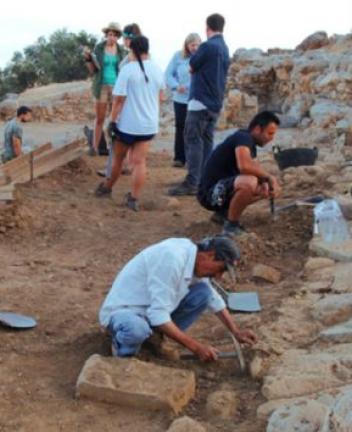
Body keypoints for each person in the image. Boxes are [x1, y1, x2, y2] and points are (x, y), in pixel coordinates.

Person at [99, 236, 257, 360]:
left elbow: (213, 299)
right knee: (136, 330)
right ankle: (122, 353)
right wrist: (196, 347)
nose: (219, 276)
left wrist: (236, 331)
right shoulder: (172, 259)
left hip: (151, 311)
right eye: (220, 269)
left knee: (204, 293)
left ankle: (154, 340)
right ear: (210, 255)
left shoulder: (194, 258)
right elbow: (158, 315)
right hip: (126, 312)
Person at [94, 36, 164, 211]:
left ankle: (107, 188)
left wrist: (112, 121)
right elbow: (160, 97)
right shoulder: (157, 69)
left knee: (118, 159)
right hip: (148, 125)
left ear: (132, 50)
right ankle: (133, 199)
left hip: (128, 125)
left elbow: (118, 100)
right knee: (139, 162)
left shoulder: (128, 70)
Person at [169, 13, 230, 196]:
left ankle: (192, 182)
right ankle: (204, 179)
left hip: (200, 101)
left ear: (207, 28)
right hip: (215, 103)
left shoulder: (207, 46)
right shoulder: (225, 48)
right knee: (206, 141)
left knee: (192, 139)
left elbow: (191, 66)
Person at [198, 111, 282, 236]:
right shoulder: (243, 137)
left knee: (264, 188)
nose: (271, 138)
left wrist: (266, 182)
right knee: (249, 182)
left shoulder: (250, 144)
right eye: (269, 133)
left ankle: (223, 214)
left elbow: (253, 169)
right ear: (258, 129)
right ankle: (231, 225)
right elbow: (245, 167)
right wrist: (270, 177)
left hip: (219, 194)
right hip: (209, 195)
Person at [99, 23, 143, 178]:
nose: (123, 41)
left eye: (124, 38)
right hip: (133, 102)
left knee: (112, 131)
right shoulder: (137, 56)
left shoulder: (132, 58)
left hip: (125, 101)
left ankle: (113, 168)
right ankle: (125, 165)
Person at [83, 22, 127, 156]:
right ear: (106, 35)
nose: (111, 37)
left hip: (116, 87)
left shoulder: (121, 51)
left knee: (115, 118)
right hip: (102, 85)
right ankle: (94, 147)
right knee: (100, 117)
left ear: (118, 37)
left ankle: (113, 148)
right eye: (109, 34)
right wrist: (88, 60)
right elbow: (92, 70)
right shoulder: (99, 48)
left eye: (114, 35)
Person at [165, 33, 202, 168]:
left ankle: (193, 159)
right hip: (180, 99)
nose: (195, 48)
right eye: (192, 45)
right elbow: (168, 74)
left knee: (193, 129)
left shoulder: (202, 57)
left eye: (197, 45)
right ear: (187, 45)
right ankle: (179, 158)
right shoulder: (178, 57)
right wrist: (175, 86)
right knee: (181, 127)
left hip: (196, 99)